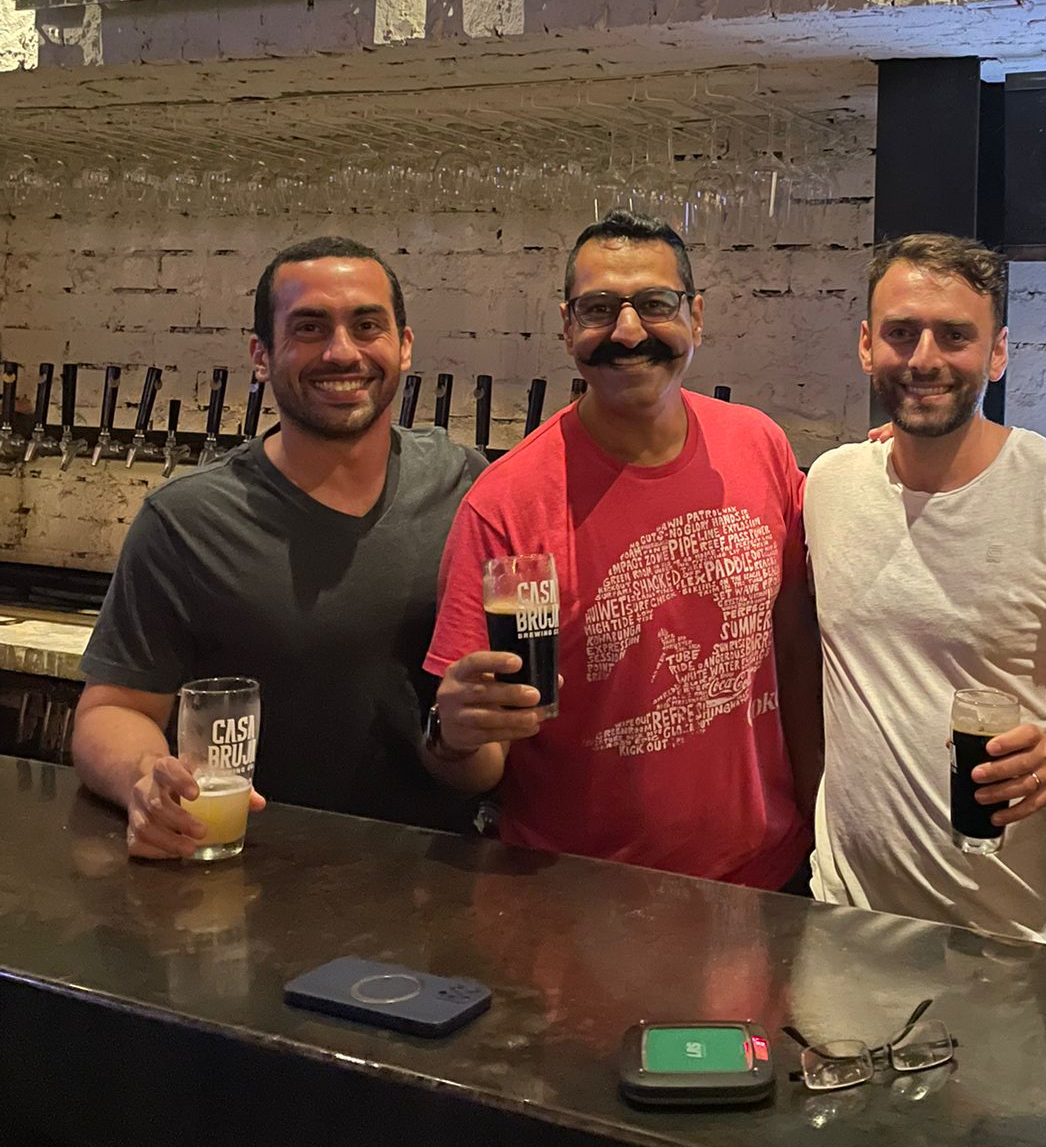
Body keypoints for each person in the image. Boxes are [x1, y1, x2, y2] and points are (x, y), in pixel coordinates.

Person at [425, 209, 820, 890]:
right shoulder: (506, 506)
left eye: (655, 304)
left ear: (696, 316)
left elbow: (796, 651)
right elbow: (480, 762)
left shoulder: (759, 445)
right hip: (582, 897)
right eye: (599, 309)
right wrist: (452, 736)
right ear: (567, 326)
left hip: (769, 882)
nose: (629, 332)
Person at [74, 238, 486, 855]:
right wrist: (144, 779)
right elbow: (112, 710)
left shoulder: (465, 483)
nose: (341, 351)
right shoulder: (186, 520)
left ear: (403, 346)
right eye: (309, 328)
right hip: (253, 867)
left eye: (366, 325)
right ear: (261, 356)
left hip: (438, 872)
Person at [804, 233, 1046, 945]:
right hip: (844, 920)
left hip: (1017, 934)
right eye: (901, 333)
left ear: (998, 351)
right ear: (866, 345)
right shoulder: (830, 485)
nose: (924, 359)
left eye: (955, 335)